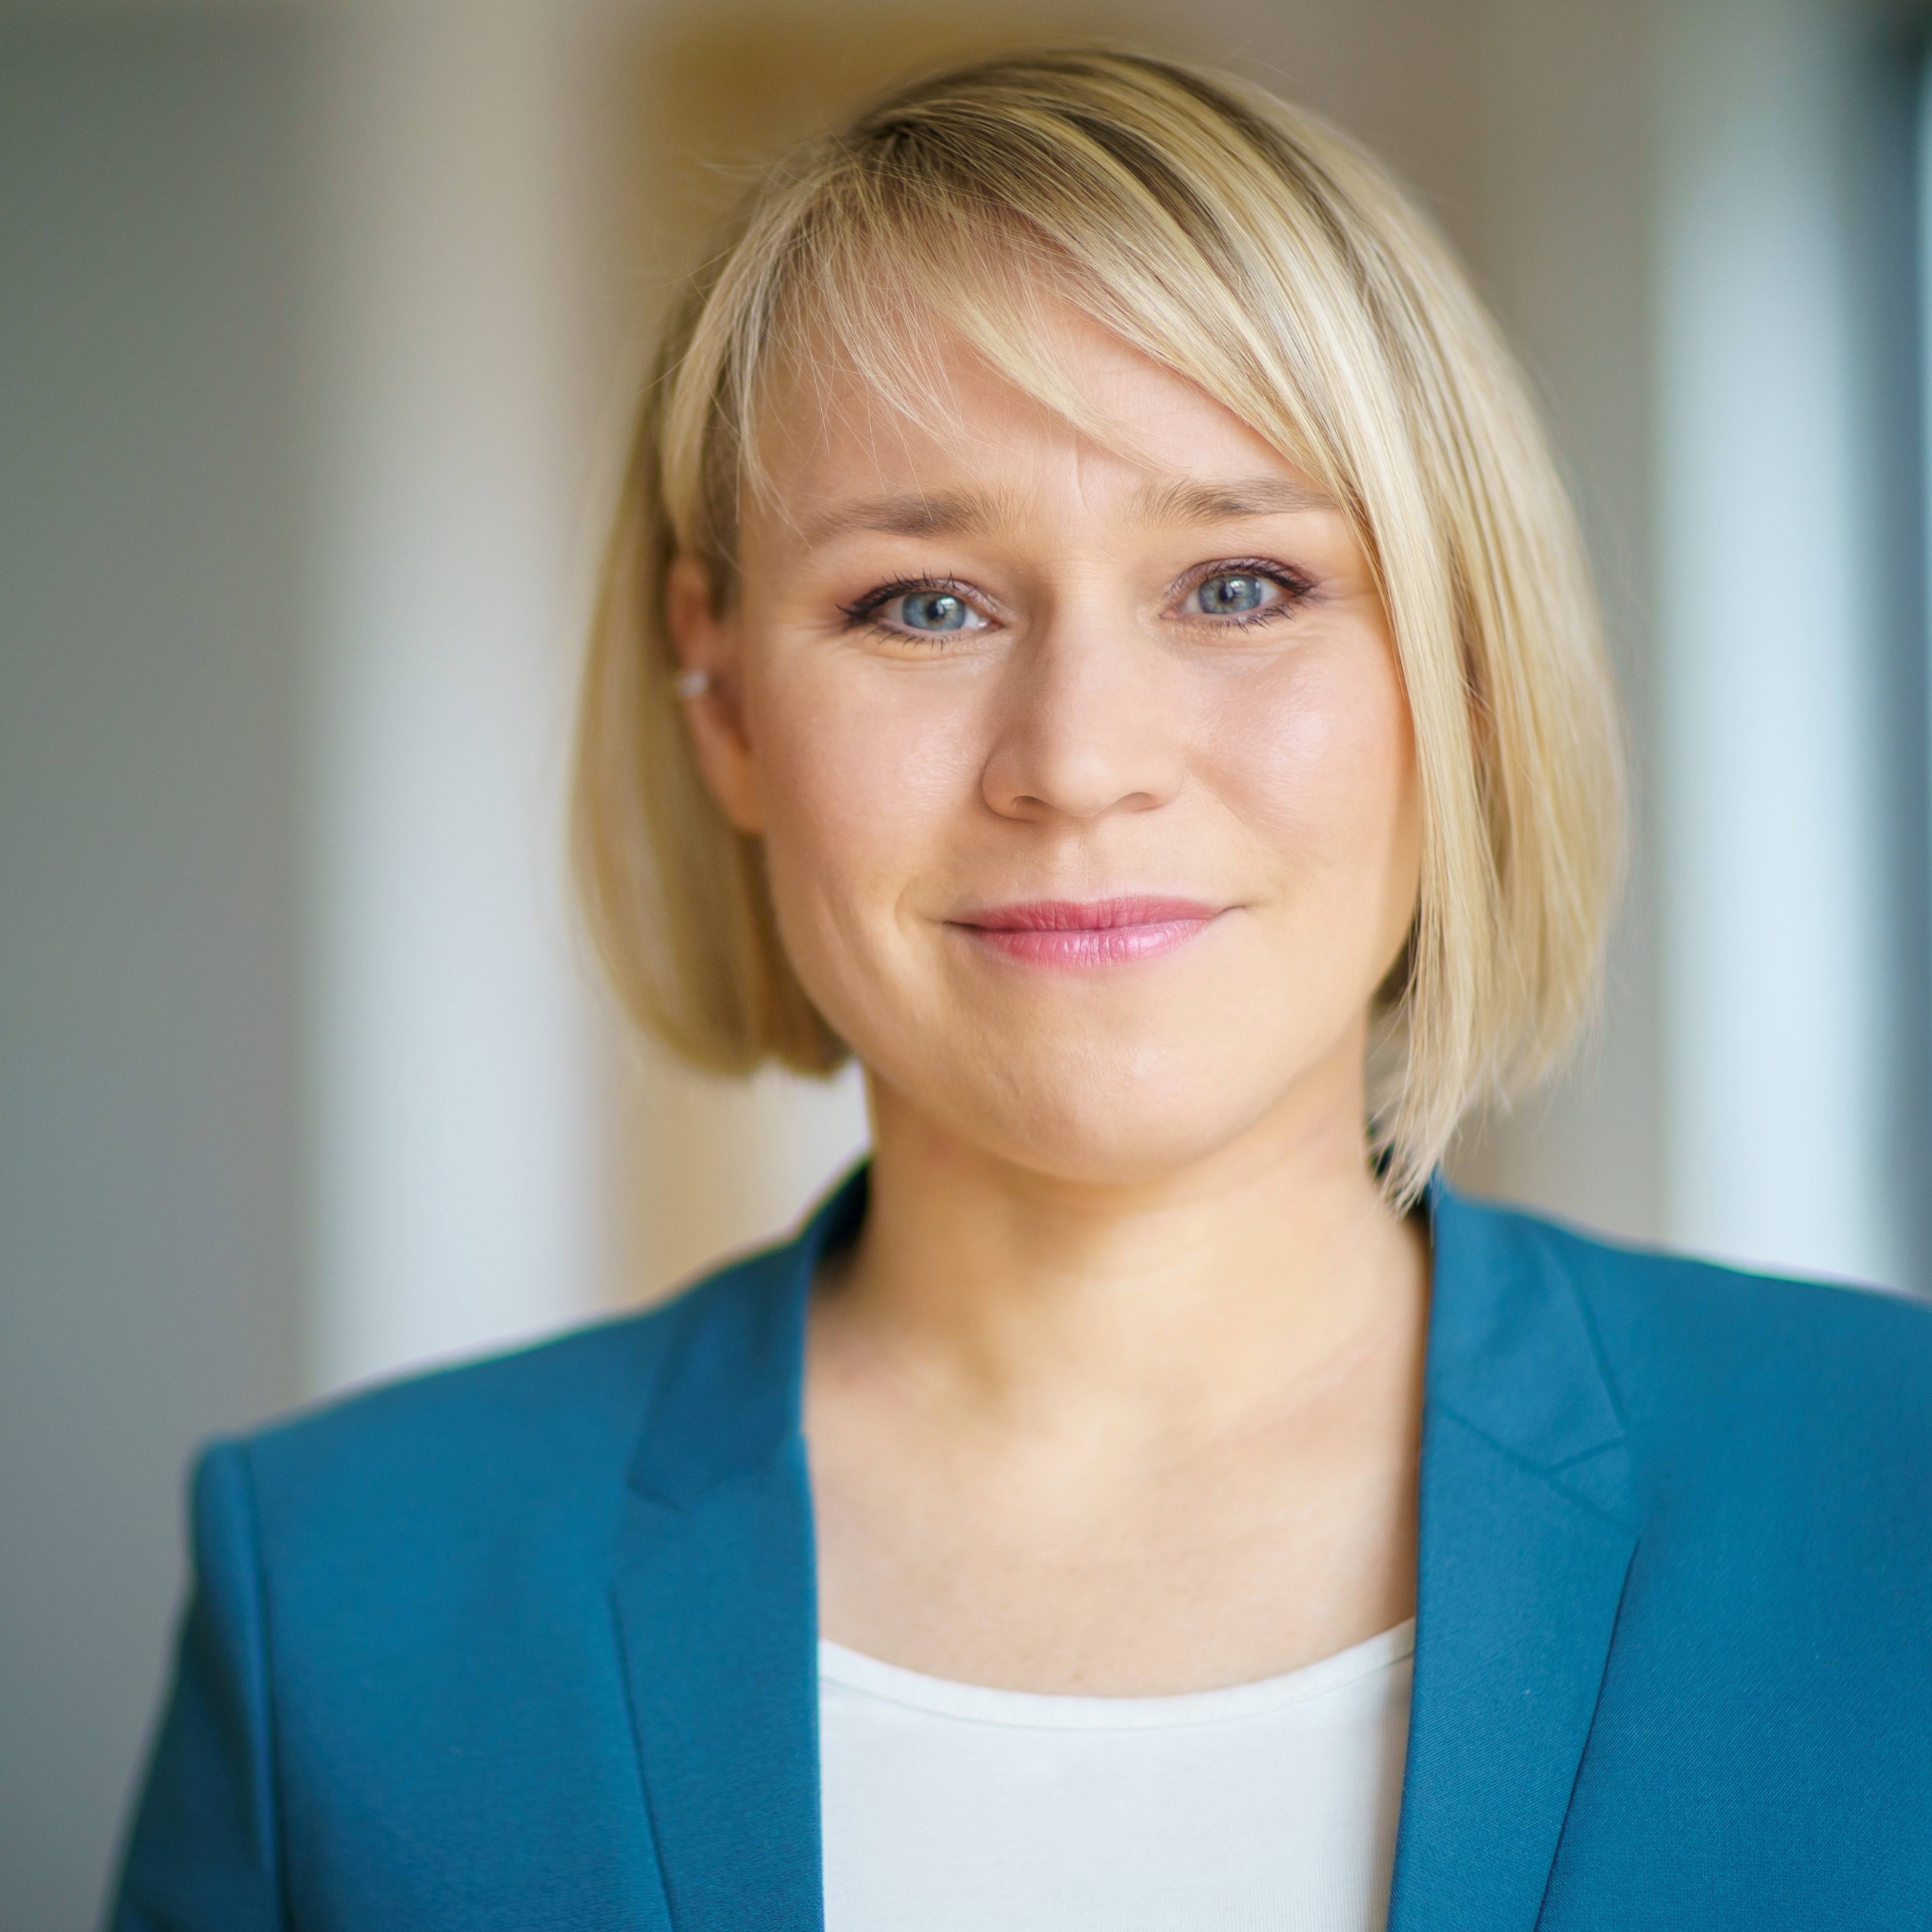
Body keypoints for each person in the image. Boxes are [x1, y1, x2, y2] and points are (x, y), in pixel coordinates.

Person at [110, 47, 1932, 1932]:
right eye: (924, 604)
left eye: (1235, 585)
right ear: (721, 692)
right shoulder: (340, 1590)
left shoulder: (1895, 1493)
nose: (1074, 758)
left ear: (1459, 675)